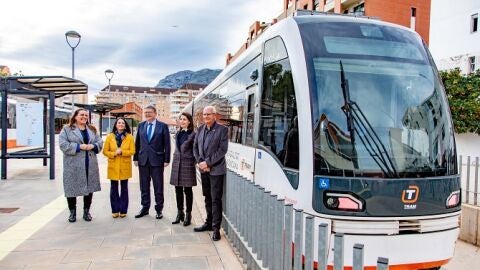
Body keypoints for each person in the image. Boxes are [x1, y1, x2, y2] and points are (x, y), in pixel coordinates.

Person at [59, 109, 103, 222]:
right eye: (81, 115)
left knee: (89, 187)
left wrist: (93, 146)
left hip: (90, 163)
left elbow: (100, 142)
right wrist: (79, 147)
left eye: (86, 115)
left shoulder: (92, 129)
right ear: (76, 116)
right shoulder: (67, 129)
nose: (84, 117)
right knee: (71, 187)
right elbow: (63, 145)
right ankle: (72, 213)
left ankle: (86, 212)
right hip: (73, 164)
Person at [193, 106, 228, 241]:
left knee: (215, 199)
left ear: (215, 115)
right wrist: (201, 162)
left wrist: (208, 163)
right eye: (204, 114)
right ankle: (208, 223)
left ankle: (216, 229)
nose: (206, 116)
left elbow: (222, 150)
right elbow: (195, 147)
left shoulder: (222, 130)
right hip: (204, 169)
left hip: (216, 170)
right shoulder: (200, 129)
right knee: (207, 197)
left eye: (208, 114)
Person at [133, 105, 171, 219]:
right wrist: (135, 158)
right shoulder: (141, 125)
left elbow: (167, 144)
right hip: (143, 160)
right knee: (144, 186)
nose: (147, 114)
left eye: (150, 112)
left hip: (157, 161)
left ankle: (159, 210)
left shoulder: (163, 126)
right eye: (146, 112)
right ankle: (145, 208)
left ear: (155, 113)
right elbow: (137, 143)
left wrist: (166, 159)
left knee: (158, 187)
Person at [102, 118, 135, 218]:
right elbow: (105, 151)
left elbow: (133, 151)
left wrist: (123, 152)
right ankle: (115, 210)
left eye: (123, 123)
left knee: (124, 189)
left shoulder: (129, 137)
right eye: (119, 123)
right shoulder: (109, 137)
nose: (121, 124)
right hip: (113, 166)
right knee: (114, 189)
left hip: (125, 166)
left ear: (125, 125)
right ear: (116, 125)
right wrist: (114, 153)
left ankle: (123, 210)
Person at [170, 112, 196, 226]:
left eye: (184, 119)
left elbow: (196, 150)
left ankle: (188, 214)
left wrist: (193, 161)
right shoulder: (178, 133)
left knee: (188, 190)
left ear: (189, 121)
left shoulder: (193, 134)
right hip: (177, 163)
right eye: (181, 119)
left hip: (187, 163)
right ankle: (179, 213)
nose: (182, 121)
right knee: (178, 189)